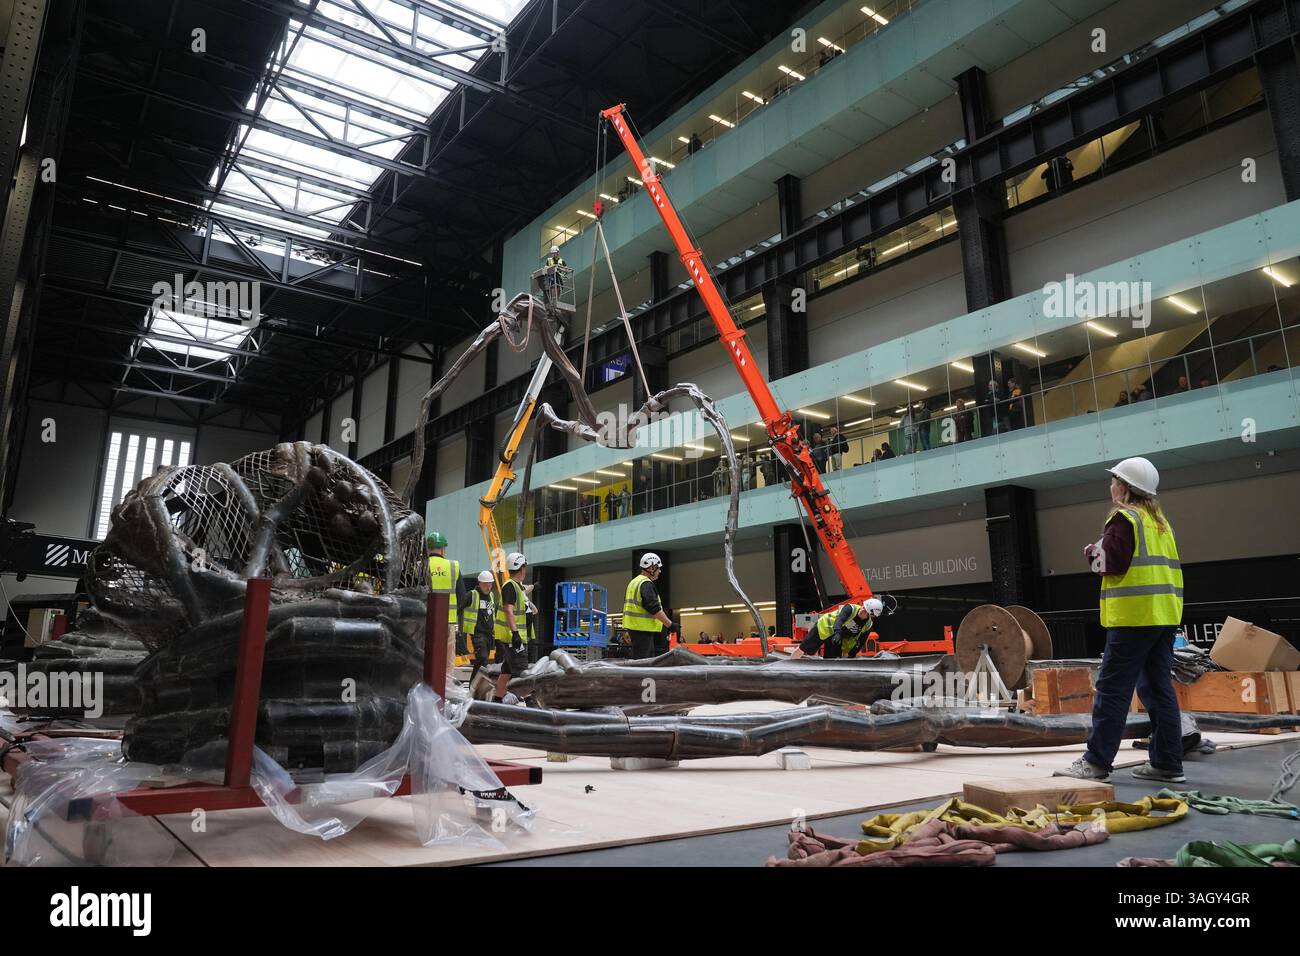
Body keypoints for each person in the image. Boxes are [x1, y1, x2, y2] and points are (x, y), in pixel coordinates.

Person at [1055, 457, 1185, 784]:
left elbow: (1107, 563)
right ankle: (1168, 763)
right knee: (1159, 690)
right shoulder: (1160, 523)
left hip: (1133, 620)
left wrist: (1090, 552)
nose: (1111, 485)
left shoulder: (1124, 518)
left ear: (1124, 487)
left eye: (1114, 480)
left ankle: (1096, 762)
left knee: (1113, 690)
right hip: (1164, 617)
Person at [492, 551, 531, 702]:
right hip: (513, 638)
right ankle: (533, 707)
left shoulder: (513, 586)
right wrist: (515, 634)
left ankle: (496, 703)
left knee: (506, 671)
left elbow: (523, 591)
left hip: (509, 638)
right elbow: (508, 609)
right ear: (521, 569)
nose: (525, 571)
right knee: (522, 674)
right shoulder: (510, 586)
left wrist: (532, 587)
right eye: (525, 568)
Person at [623, 552, 677, 658]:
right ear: (651, 568)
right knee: (643, 663)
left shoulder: (634, 582)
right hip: (642, 630)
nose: (660, 571)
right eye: (658, 568)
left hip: (636, 629)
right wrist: (670, 625)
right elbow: (654, 608)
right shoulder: (645, 584)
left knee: (642, 661)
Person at [789, 598, 884, 659]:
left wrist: (851, 654)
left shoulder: (868, 625)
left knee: (832, 659)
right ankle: (789, 666)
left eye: (865, 610)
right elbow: (840, 620)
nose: (862, 609)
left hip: (838, 638)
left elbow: (860, 642)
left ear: (871, 615)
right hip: (824, 627)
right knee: (803, 648)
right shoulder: (850, 608)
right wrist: (838, 633)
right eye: (863, 607)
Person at [426, 531, 463, 677]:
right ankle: (445, 692)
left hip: (424, 622)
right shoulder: (453, 566)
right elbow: (462, 596)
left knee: (424, 658)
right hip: (448, 622)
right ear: (443, 549)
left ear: (427, 549)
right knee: (447, 662)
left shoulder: (419, 565)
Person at [461, 570, 497, 683]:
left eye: (490, 584)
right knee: (483, 659)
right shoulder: (472, 595)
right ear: (480, 583)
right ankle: (480, 685)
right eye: (486, 584)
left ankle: (472, 685)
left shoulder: (491, 595)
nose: (488, 587)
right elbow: (458, 606)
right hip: (477, 633)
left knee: (480, 661)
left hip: (489, 634)